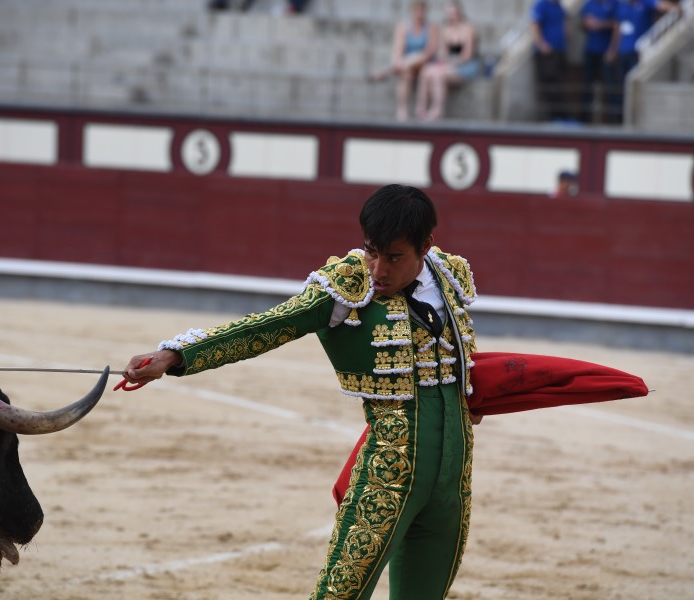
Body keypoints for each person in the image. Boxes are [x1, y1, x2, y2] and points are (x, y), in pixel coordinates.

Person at [122, 184, 481, 599]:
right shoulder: (347, 287)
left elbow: (463, 356)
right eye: (372, 252)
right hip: (389, 473)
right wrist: (177, 354)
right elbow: (270, 325)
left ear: (425, 247)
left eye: (394, 257)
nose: (379, 269)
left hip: (454, 478)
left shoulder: (447, 277)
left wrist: (470, 396)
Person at [606, 0, 679, 122]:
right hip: (623, 52)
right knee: (621, 86)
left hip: (638, 53)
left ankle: (632, 117)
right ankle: (619, 118)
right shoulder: (622, 6)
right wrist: (613, 49)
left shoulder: (645, 3)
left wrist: (674, 7)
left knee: (633, 84)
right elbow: (617, 29)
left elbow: (661, 6)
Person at [414, 0, 482, 122]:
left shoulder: (468, 29)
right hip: (450, 64)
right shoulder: (445, 30)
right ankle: (421, 108)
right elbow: (443, 53)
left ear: (459, 13)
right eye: (449, 13)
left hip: (465, 66)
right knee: (427, 71)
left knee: (439, 75)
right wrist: (444, 62)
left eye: (454, 13)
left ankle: (437, 109)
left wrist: (450, 64)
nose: (451, 16)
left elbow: (467, 55)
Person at [369, 2, 439, 121]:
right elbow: (398, 49)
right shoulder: (404, 27)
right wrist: (398, 61)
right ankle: (402, 109)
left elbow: (430, 52)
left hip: (425, 63)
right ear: (412, 11)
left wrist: (409, 61)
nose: (420, 13)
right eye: (417, 10)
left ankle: (386, 72)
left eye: (422, 10)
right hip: (408, 67)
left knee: (417, 64)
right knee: (406, 73)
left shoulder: (431, 27)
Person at [530, 0, 569, 121]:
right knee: (548, 85)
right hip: (547, 53)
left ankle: (558, 116)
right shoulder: (541, 5)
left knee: (559, 84)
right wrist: (542, 45)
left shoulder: (559, 6)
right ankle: (550, 116)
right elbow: (534, 25)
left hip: (559, 50)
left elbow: (564, 24)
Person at [580, 0, 617, 123]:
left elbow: (617, 25)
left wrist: (600, 24)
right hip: (590, 51)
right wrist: (586, 23)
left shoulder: (614, 3)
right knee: (587, 85)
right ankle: (585, 119)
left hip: (605, 52)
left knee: (610, 86)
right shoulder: (589, 4)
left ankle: (614, 120)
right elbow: (582, 25)